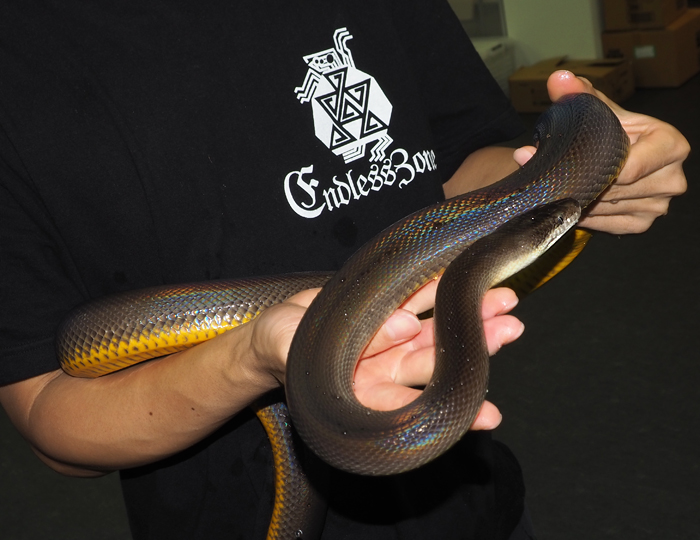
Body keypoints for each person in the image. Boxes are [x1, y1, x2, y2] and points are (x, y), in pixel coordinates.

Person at [0, 1, 688, 539]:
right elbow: (49, 408)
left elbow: (459, 167)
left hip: (471, 504)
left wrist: (579, 175)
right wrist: (249, 359)